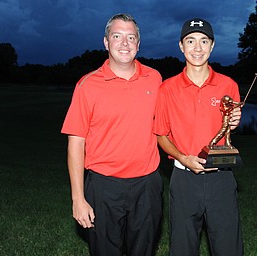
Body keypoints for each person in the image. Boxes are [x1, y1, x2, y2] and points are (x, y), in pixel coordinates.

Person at [61, 13, 163, 256]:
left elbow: (172, 121)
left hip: (147, 184)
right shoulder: (87, 85)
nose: (124, 43)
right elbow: (76, 143)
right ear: (106, 42)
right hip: (103, 186)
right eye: (117, 36)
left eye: (131, 37)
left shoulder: (155, 79)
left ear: (139, 44)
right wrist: (78, 198)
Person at [153, 18, 243, 256]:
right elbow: (161, 135)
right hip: (184, 180)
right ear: (181, 46)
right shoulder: (167, 88)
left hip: (221, 178)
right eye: (190, 41)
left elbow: (228, 128)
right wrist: (183, 158)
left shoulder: (228, 85)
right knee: (183, 247)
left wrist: (234, 122)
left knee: (228, 247)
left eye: (204, 41)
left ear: (212, 46)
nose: (197, 48)